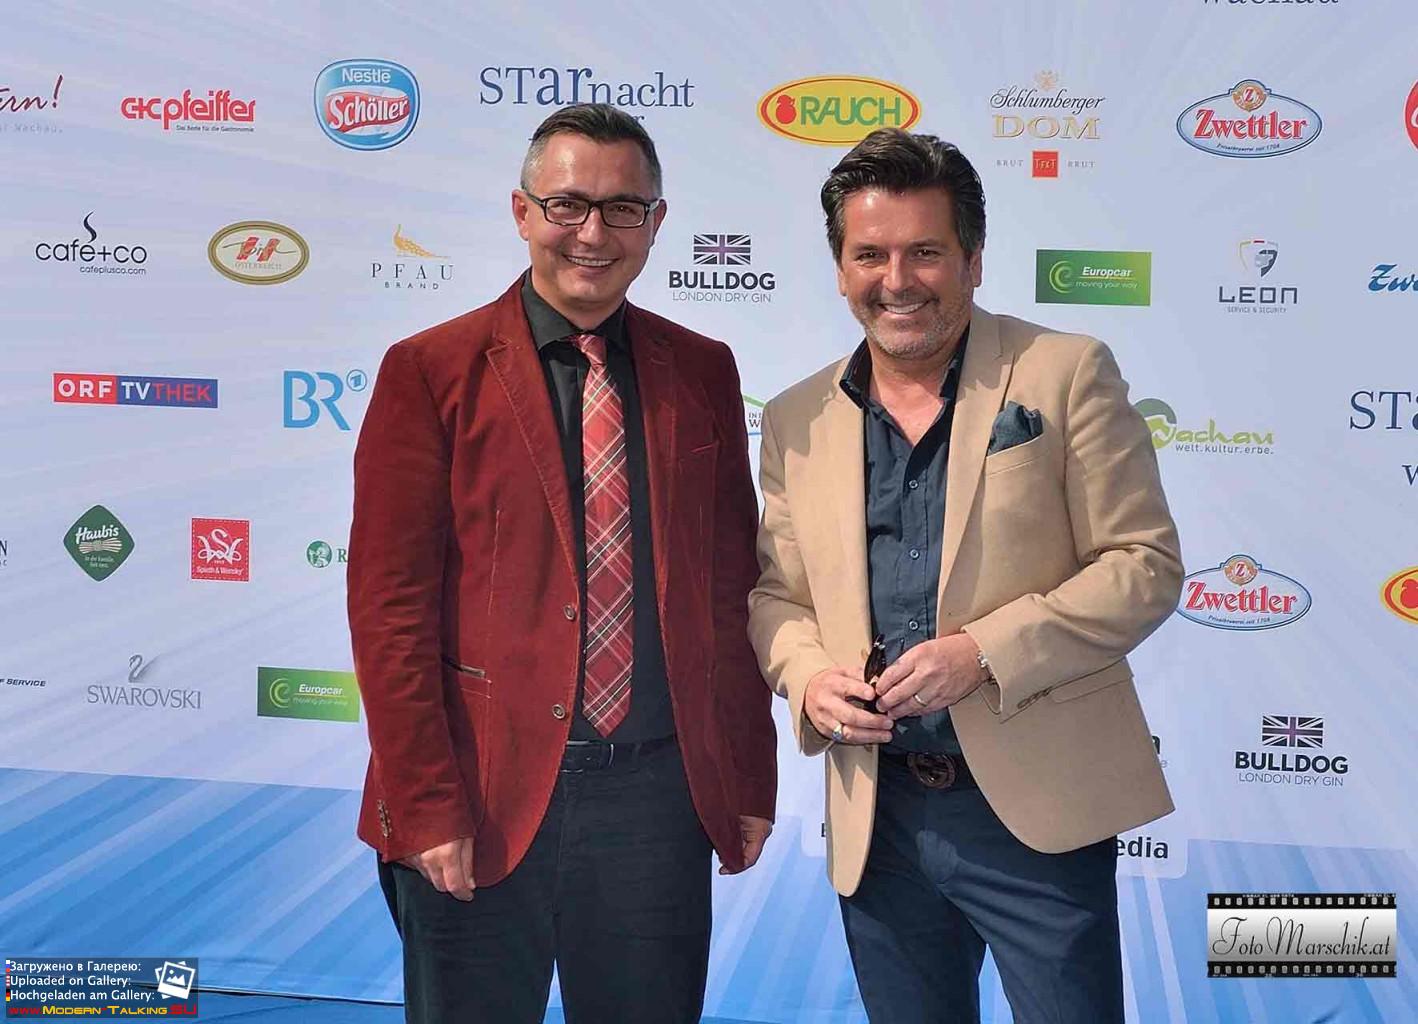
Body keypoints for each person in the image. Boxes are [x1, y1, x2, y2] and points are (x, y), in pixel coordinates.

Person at [348, 103, 776, 1024]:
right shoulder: (429, 370)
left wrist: (746, 774)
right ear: (522, 212)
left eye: (623, 209)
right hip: (479, 799)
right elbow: (390, 612)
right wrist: (427, 807)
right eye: (568, 205)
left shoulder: (703, 370)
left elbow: (728, 593)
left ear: (656, 222)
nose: (593, 233)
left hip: (657, 808)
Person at [747, 128, 1182, 1024]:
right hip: (878, 815)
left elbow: (1143, 565)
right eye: (870, 255)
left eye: (926, 252)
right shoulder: (795, 417)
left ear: (973, 262)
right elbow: (778, 596)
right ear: (840, 269)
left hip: (1035, 808)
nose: (897, 279)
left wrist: (982, 652)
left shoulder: (1065, 373)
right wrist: (809, 677)